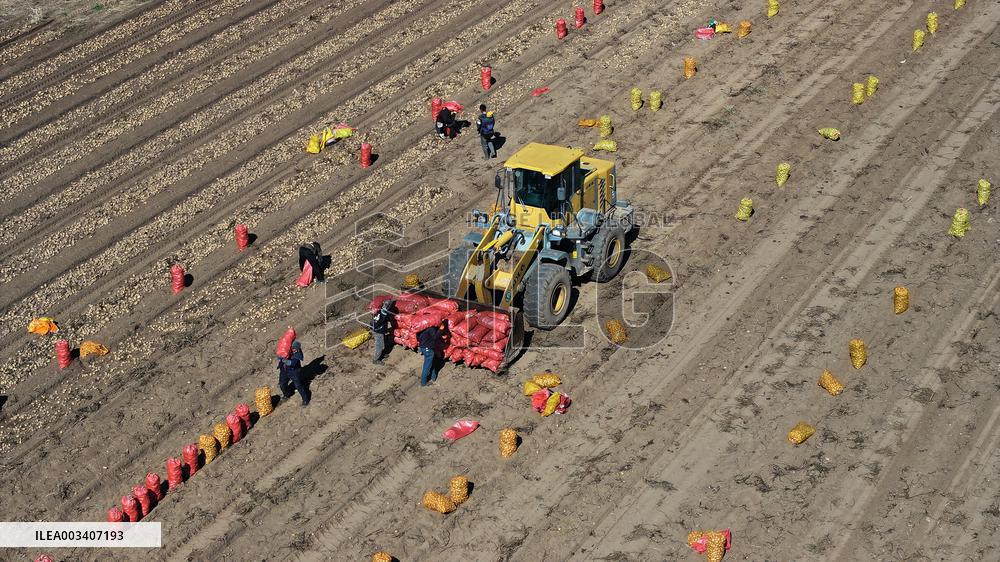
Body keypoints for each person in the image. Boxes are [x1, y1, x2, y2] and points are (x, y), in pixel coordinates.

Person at [277, 341, 310, 406]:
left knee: (298, 386)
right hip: (284, 371)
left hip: (294, 372)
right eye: (293, 348)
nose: (294, 349)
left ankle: (305, 400)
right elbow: (279, 357)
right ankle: (287, 394)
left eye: (296, 348)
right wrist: (280, 357)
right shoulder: (286, 351)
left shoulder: (298, 354)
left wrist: (284, 360)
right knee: (282, 384)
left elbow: (292, 363)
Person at [371, 299, 396, 364]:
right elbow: (383, 320)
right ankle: (376, 359)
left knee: (383, 343)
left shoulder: (379, 311)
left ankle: (382, 354)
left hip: (378, 330)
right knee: (379, 345)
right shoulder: (383, 315)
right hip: (378, 332)